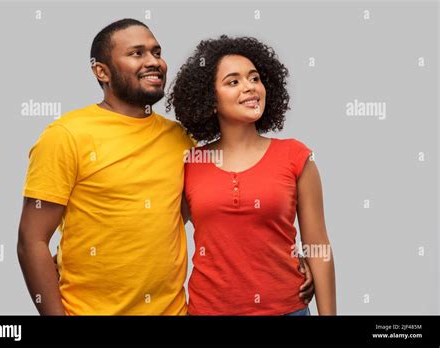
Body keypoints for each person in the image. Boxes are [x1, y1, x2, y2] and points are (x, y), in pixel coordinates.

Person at [17, 19, 314, 315]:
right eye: (137, 54)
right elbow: (32, 241)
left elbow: (214, 213)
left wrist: (286, 264)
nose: (153, 62)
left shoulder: (180, 141)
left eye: (156, 52)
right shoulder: (65, 136)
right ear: (101, 71)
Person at [167, 35, 336, 315]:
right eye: (233, 82)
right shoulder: (191, 162)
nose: (250, 87)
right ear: (210, 100)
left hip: (287, 309)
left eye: (254, 78)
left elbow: (318, 245)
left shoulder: (296, 156)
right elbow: (161, 233)